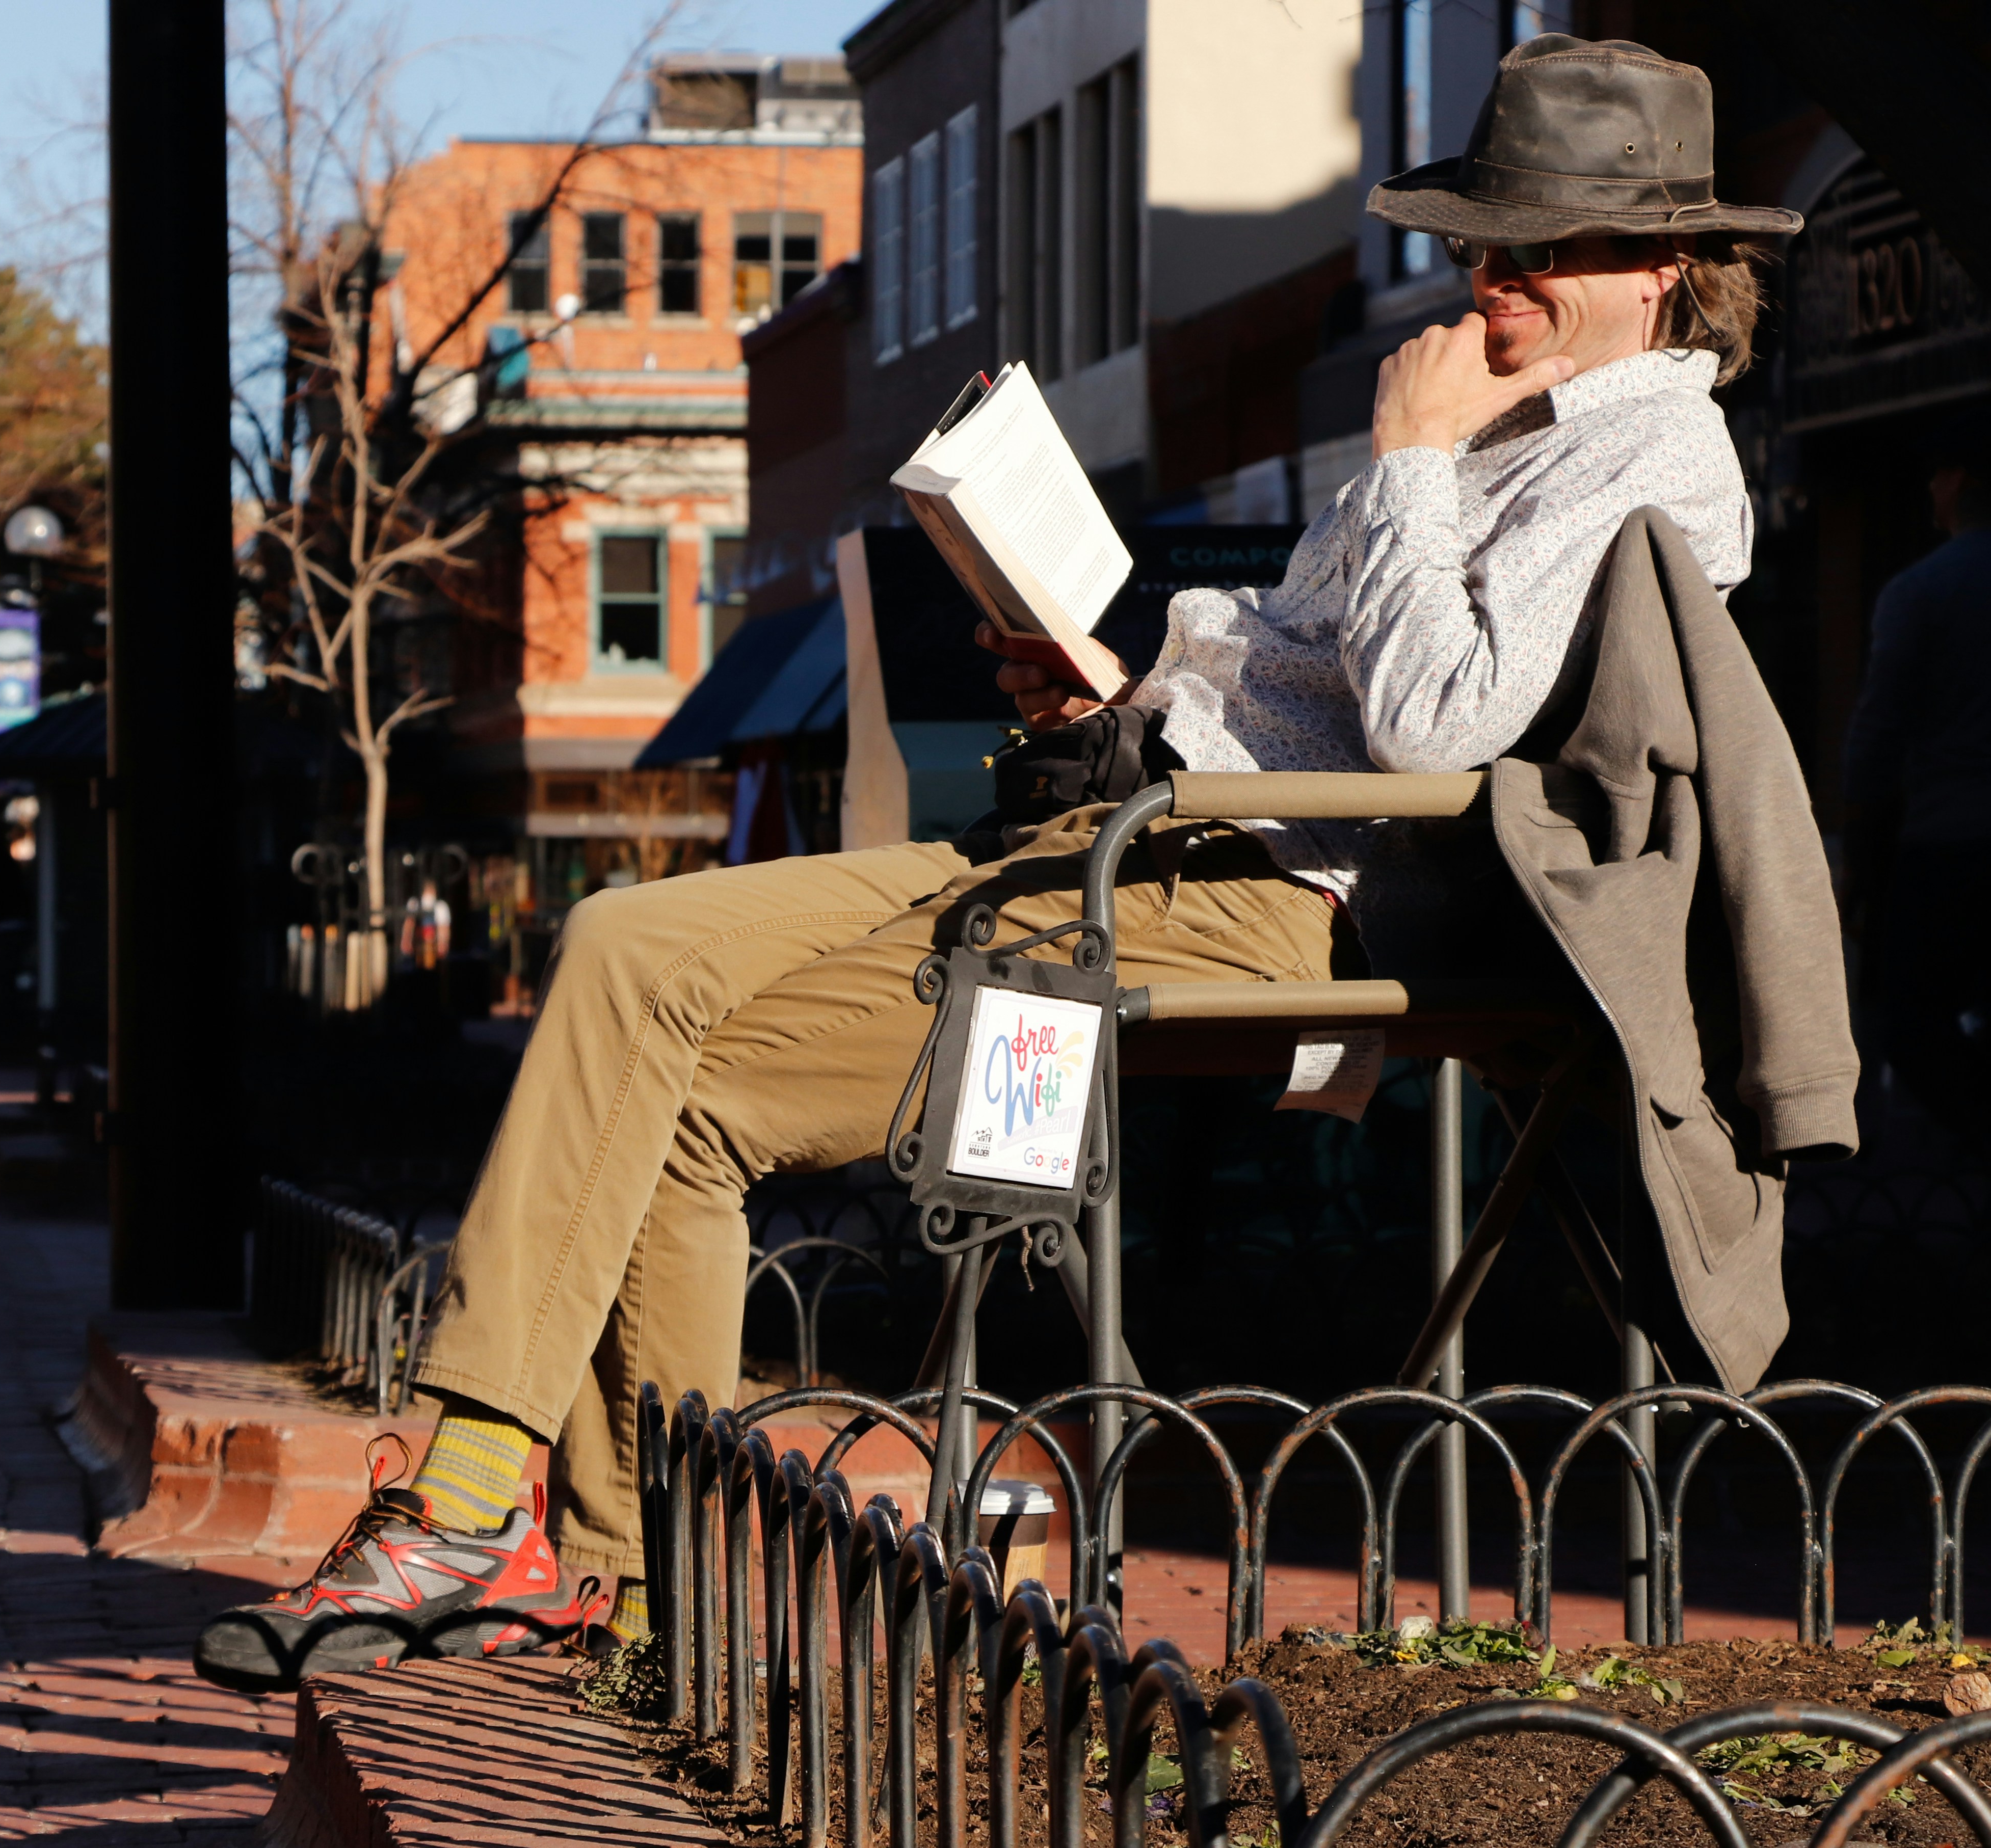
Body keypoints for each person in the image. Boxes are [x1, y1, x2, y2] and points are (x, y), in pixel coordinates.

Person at [194, 35, 1811, 1694]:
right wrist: (1106, 687)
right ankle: (586, 1559)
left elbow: (1436, 728)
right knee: (620, 942)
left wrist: (1401, 459)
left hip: (1278, 906)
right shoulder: (1490, 421)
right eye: (1482, 240)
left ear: (1663, 265)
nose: (1492, 278)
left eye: (1536, 246)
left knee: (680, 1087)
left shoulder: (1652, 461)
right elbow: (1320, 669)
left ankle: (507, 1524)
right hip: (1126, 834)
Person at [1842, 411, 1991, 1134]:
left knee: (1910, 1019)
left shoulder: (1920, 591)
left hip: (1948, 844)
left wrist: (1859, 862)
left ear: (1956, 481)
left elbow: (1876, 738)